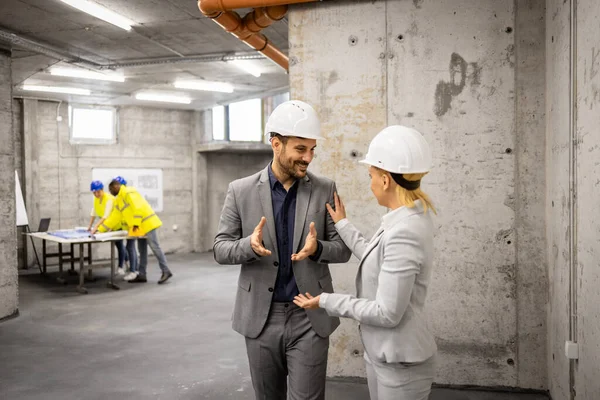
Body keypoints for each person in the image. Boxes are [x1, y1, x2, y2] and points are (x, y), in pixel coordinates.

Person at [213, 100, 352, 400]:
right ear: (276, 144)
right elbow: (220, 248)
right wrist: (247, 246)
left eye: (312, 149)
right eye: (300, 149)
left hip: (309, 315)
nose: (308, 158)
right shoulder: (241, 190)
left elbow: (343, 250)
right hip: (261, 319)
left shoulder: (325, 188)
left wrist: (317, 249)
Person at [293, 125, 438, 400]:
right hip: (387, 356)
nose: (369, 182)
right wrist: (343, 224)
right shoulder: (407, 219)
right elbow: (376, 256)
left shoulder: (405, 230)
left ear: (385, 180)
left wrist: (325, 300)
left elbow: (387, 313)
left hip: (400, 363)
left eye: (371, 175)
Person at [108, 178, 173, 284]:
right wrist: (100, 230)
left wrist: (136, 224)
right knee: (141, 250)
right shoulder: (119, 200)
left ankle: (166, 270)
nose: (110, 192)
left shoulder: (129, 192)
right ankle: (142, 274)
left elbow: (138, 208)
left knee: (155, 247)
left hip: (147, 223)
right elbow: (114, 218)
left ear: (116, 186)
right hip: (139, 227)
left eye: (111, 189)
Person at [87, 180, 128, 275]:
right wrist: (89, 226)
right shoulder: (96, 199)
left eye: (98, 192)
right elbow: (93, 213)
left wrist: (96, 228)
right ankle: (127, 261)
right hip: (107, 225)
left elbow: (106, 215)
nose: (96, 194)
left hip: (116, 224)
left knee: (119, 245)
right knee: (118, 245)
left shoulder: (109, 199)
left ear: (102, 189)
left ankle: (121, 267)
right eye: (94, 192)